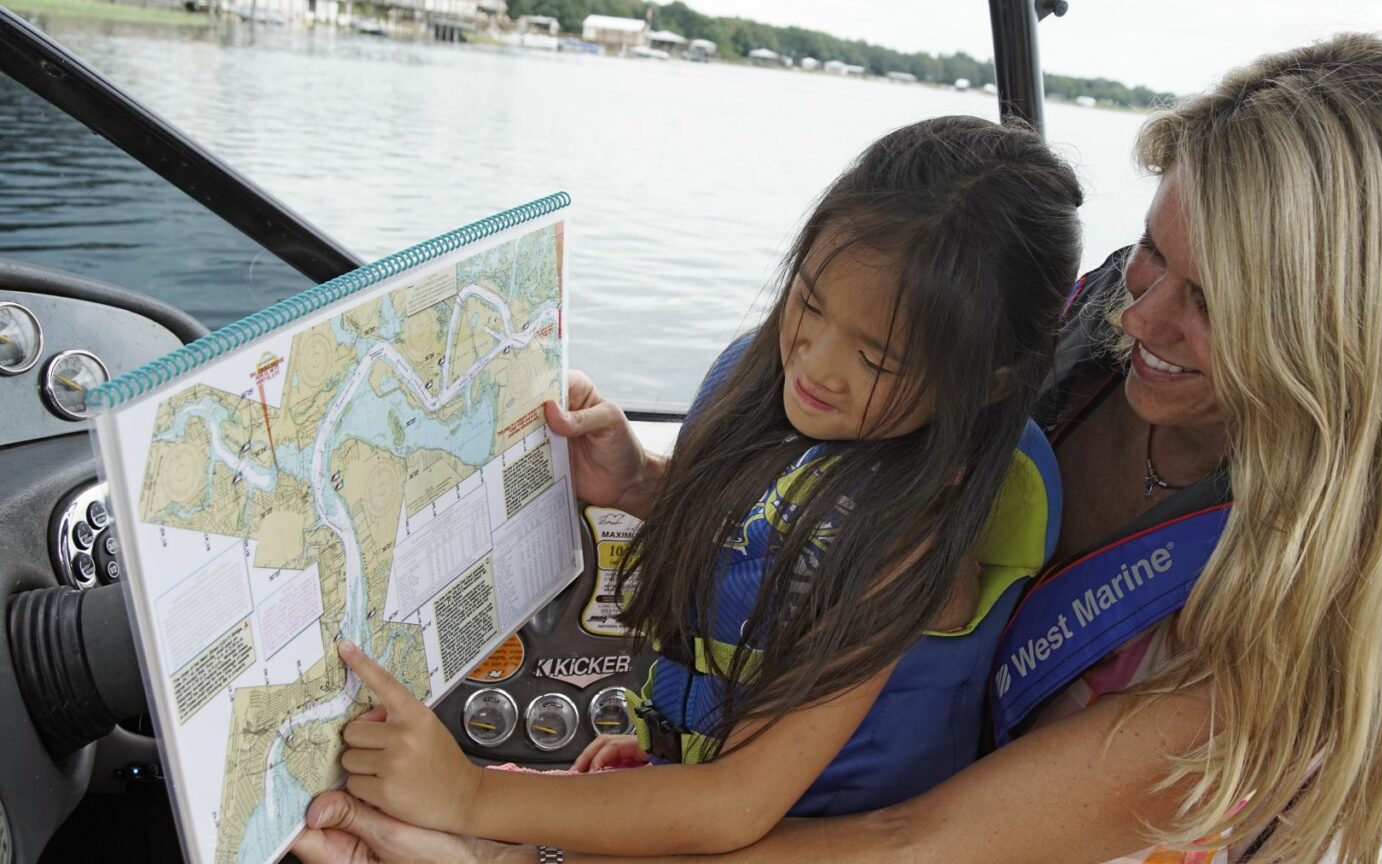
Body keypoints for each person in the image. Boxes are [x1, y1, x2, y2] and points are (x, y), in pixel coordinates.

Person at [293, 31, 1382, 864]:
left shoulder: (1284, 647)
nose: (1134, 315)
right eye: (1151, 252)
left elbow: (911, 847)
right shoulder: (1089, 329)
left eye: (1208, 305)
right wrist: (657, 489)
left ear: (1335, 347)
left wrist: (516, 834)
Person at [322, 114, 1086, 856]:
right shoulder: (771, 386)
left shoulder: (910, 534)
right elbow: (760, 535)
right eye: (809, 302)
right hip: (675, 778)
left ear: (988, 382)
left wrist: (471, 796)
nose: (816, 364)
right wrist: (638, 482)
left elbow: (735, 805)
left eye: (877, 360)